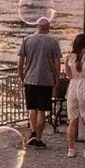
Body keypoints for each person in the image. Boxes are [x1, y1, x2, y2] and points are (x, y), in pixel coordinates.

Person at [18, 17, 61, 148]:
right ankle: (38, 138)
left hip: (29, 79)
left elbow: (20, 63)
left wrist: (22, 77)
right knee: (42, 110)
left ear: (37, 26)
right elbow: (57, 65)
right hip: (45, 80)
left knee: (32, 108)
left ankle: (33, 133)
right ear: (48, 27)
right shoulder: (53, 42)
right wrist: (56, 79)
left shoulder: (27, 40)